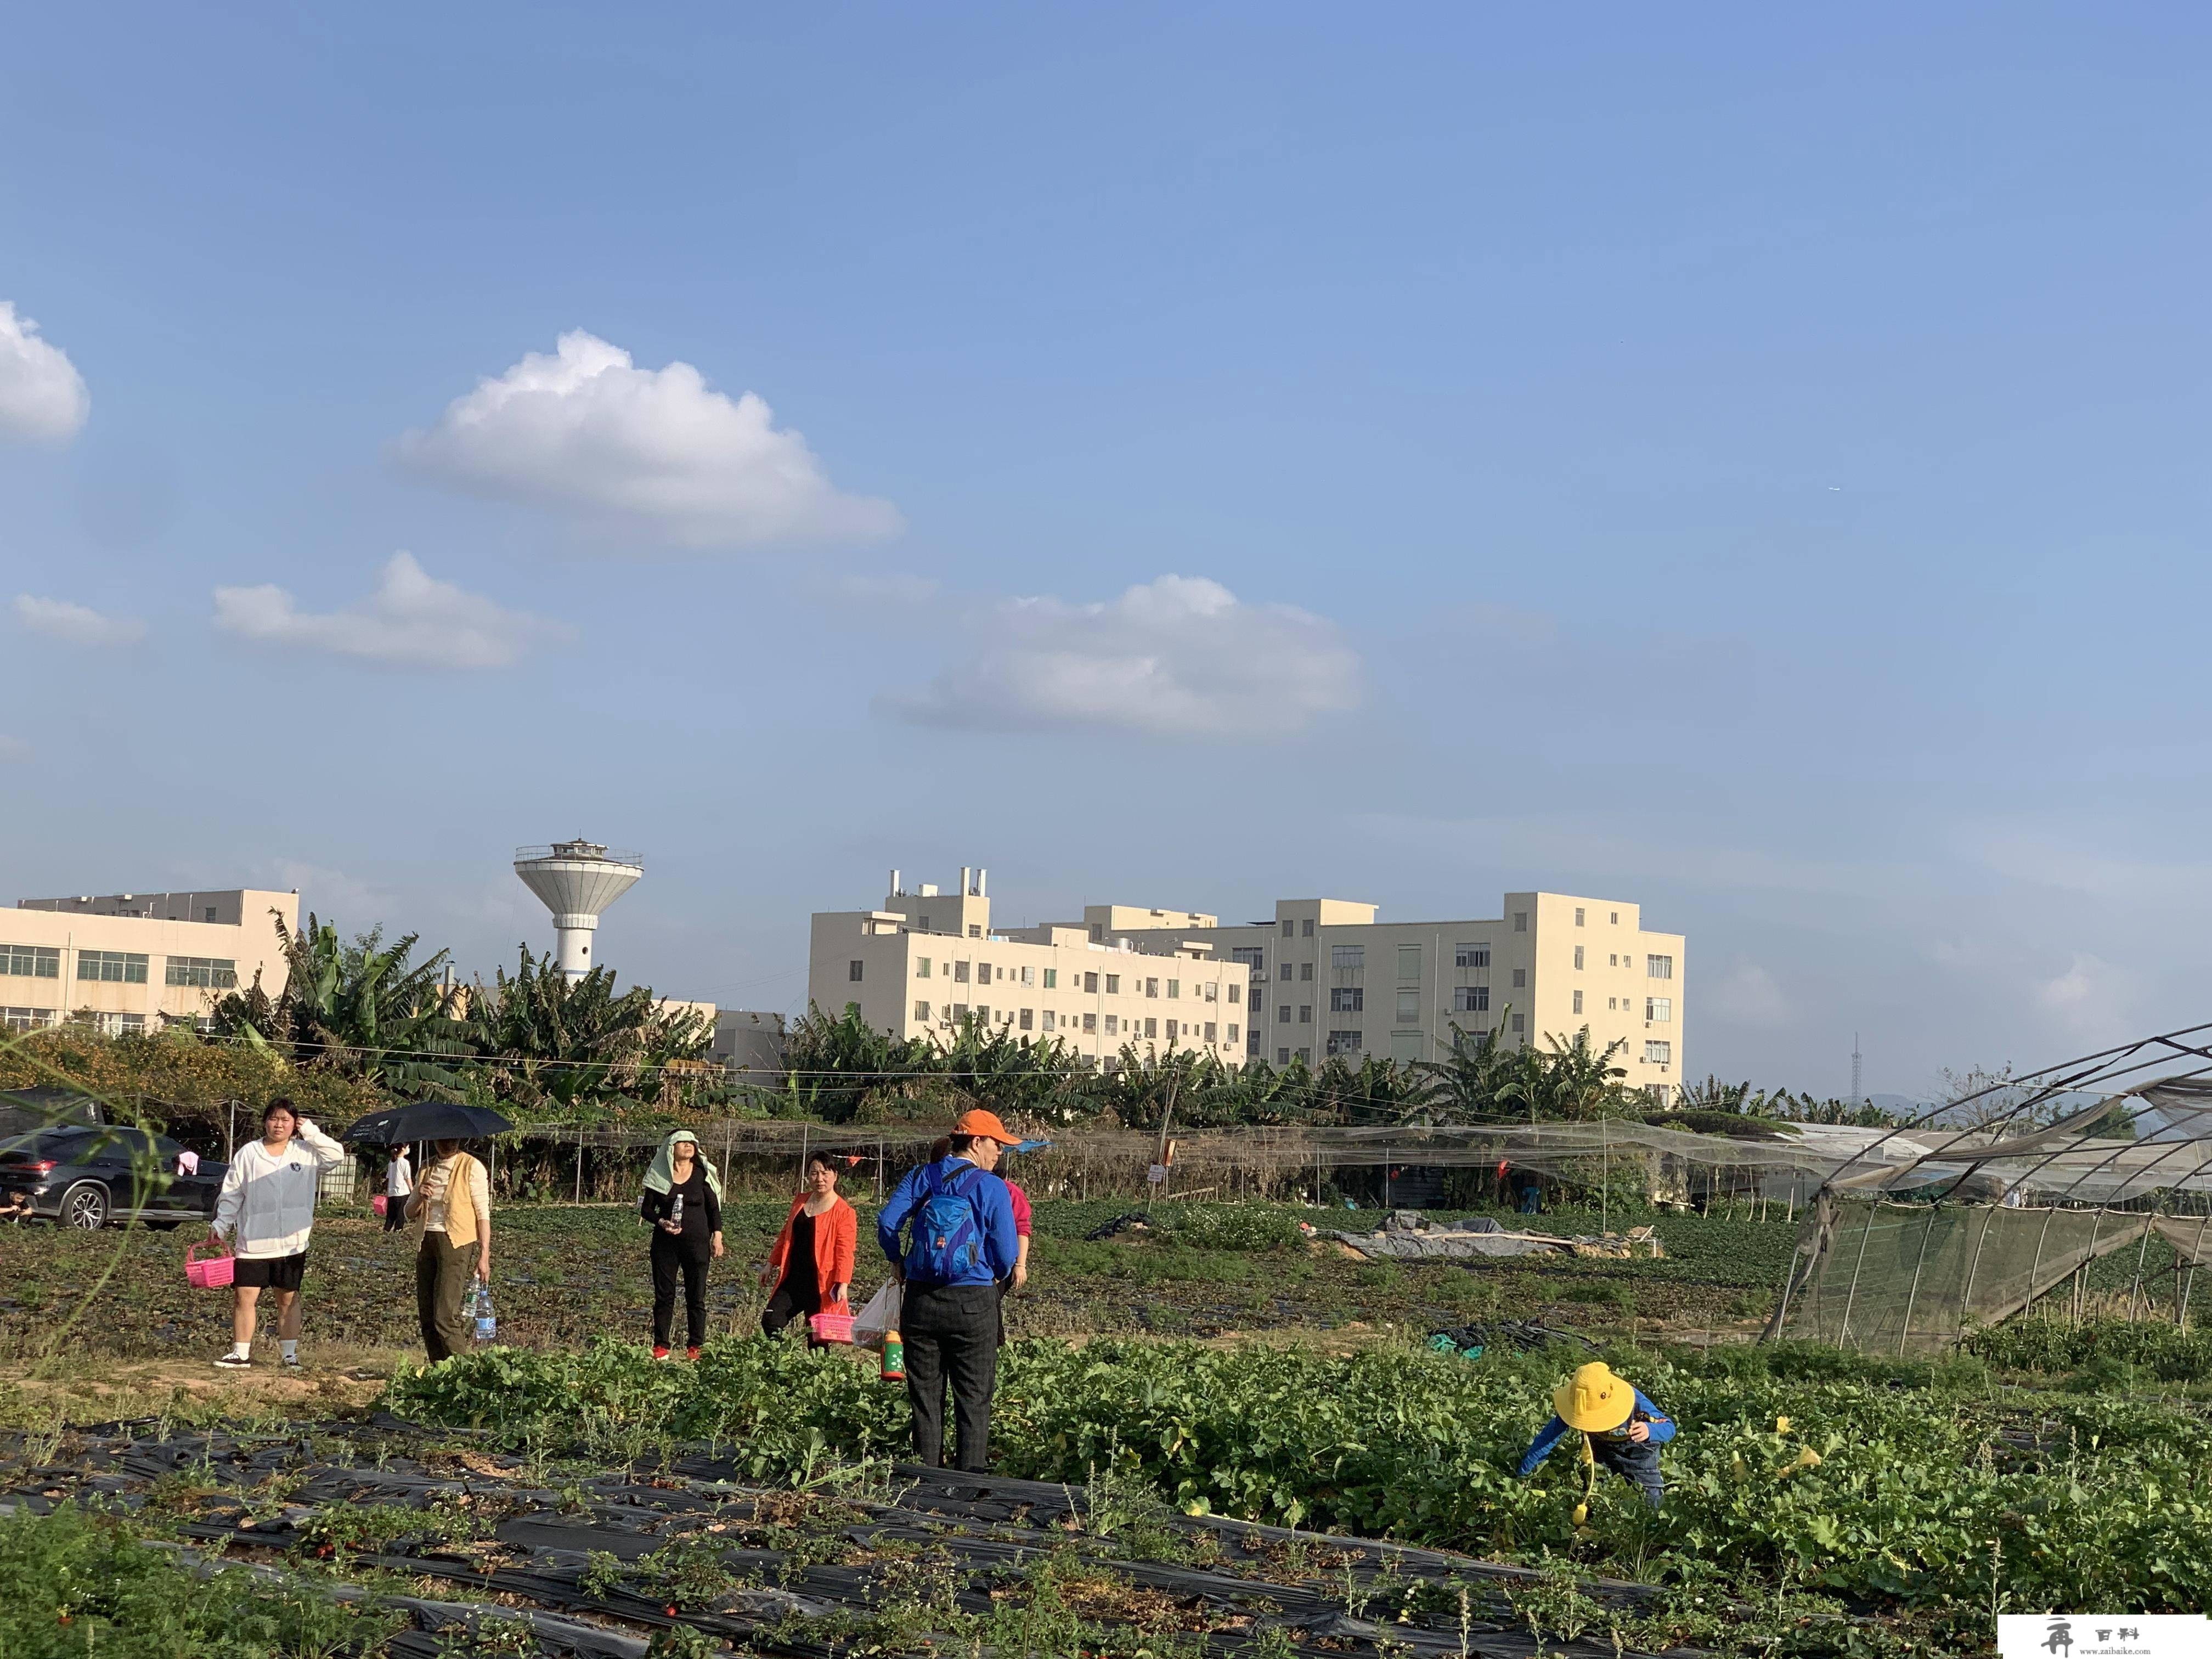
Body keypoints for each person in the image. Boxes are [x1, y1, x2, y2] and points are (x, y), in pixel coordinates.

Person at [876, 1109, 1019, 1471]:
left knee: (926, 1396)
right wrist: (993, 1278)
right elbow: (1007, 1253)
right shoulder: (991, 1187)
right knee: (973, 1397)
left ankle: (926, 1484)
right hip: (974, 1303)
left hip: (921, 1301)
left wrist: (899, 1260)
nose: (1000, 1152)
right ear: (976, 1142)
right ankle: (967, 1490)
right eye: (997, 1144)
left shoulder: (922, 1177)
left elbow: (887, 1223)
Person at [207, 1098, 346, 1369]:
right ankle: (241, 1353)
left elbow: (336, 1155)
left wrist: (312, 1133)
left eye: (285, 1120)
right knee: (244, 1296)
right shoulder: (249, 1153)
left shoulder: (306, 1152)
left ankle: (289, 1356)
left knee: (288, 1298)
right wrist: (221, 1226)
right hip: (253, 1241)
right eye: (273, 1119)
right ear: (265, 1122)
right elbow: (233, 1192)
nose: (278, 1125)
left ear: (295, 1124)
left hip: (292, 1243)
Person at [1516, 1361, 1675, 1508]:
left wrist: (1650, 1430)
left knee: (1653, 1504)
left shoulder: (1635, 1400)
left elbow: (1669, 1428)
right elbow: (1547, 1439)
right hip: (1600, 1456)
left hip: (1640, 1458)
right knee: (1595, 1499)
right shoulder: (1577, 1404)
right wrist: (1524, 1475)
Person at [640, 1130, 725, 1359]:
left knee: (696, 1296)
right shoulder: (661, 1176)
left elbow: (713, 1209)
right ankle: (661, 1346)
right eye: (682, 1142)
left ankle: (695, 1346)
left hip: (697, 1245)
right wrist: (662, 1221)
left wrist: (717, 1236)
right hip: (665, 1245)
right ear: (671, 1148)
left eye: (691, 1143)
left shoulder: (701, 1174)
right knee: (664, 1295)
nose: (688, 1146)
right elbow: (646, 1209)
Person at [405, 1137, 491, 1363]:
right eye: (442, 1140)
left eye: (452, 1140)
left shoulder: (471, 1167)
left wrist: (484, 1255)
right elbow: (408, 1212)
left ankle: (465, 1372)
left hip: (457, 1242)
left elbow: (483, 1214)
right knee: (427, 1315)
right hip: (426, 1240)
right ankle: (439, 1369)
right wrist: (420, 1195)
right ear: (434, 1141)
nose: (447, 1144)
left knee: (445, 1315)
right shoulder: (426, 1168)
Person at [759, 1150, 854, 1346]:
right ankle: (784, 1361)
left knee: (817, 1342)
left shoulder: (844, 1212)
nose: (819, 1178)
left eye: (825, 1173)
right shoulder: (801, 1201)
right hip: (793, 1279)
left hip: (821, 1284)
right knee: (771, 1321)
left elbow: (845, 1251)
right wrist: (770, 1263)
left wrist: (842, 1284)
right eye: (814, 1173)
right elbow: (786, 1234)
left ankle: (815, 1375)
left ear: (835, 1176)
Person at [382, 1146, 413, 1233]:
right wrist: (412, 1189)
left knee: (391, 1214)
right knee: (400, 1214)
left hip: (392, 1193)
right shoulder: (405, 1162)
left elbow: (388, 1177)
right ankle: (398, 1230)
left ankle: (387, 1229)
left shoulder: (391, 1162)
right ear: (403, 1149)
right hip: (402, 1192)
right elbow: (408, 1178)